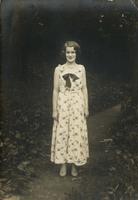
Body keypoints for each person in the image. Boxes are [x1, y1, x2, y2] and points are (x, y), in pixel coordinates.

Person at [50, 41, 89, 177]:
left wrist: (86, 107)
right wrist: (55, 110)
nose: (70, 55)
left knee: (75, 134)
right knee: (62, 133)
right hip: (63, 104)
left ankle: (74, 165)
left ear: (76, 53)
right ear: (64, 53)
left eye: (73, 52)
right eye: (68, 52)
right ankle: (62, 164)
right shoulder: (59, 70)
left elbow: (84, 88)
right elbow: (55, 90)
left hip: (77, 104)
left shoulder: (81, 69)